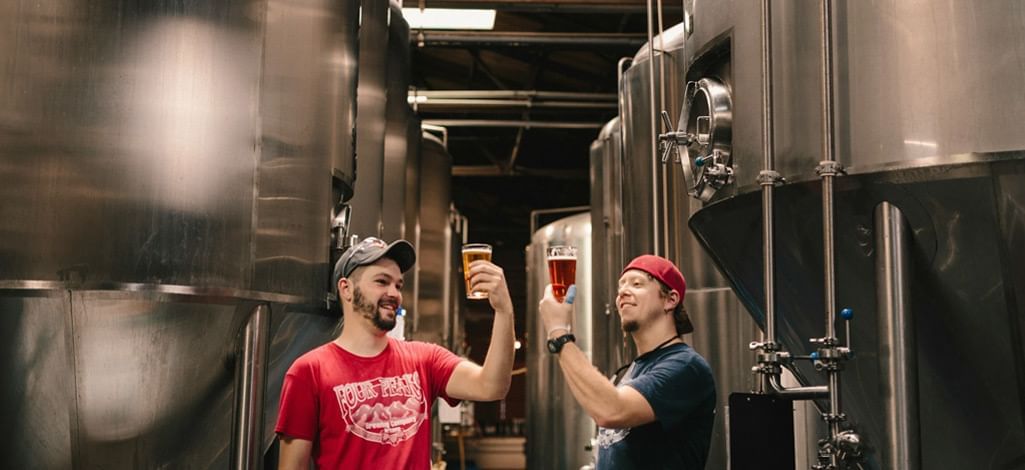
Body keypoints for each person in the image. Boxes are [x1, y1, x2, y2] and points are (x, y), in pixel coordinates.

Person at [275, 236, 515, 469]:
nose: (394, 293)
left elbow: (492, 386)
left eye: (398, 285)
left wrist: (504, 310)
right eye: (382, 281)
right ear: (346, 289)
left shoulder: (424, 359)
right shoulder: (309, 372)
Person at [539, 254, 715, 469]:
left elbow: (611, 411)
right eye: (620, 286)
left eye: (637, 283)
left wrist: (559, 334)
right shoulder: (630, 371)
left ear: (670, 299)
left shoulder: (685, 367)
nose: (622, 291)